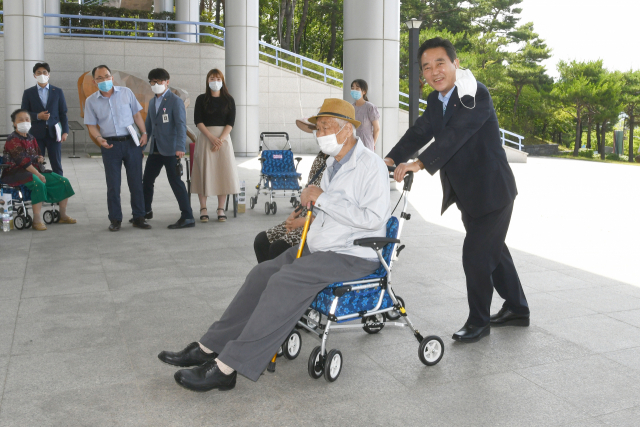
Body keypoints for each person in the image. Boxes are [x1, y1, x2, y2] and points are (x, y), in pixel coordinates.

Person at [158, 99, 390, 392]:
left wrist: (322, 199)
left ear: (347, 130)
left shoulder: (371, 165)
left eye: (325, 127)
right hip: (322, 245)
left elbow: (373, 218)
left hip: (353, 253)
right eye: (318, 128)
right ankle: (208, 347)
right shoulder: (333, 163)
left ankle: (227, 367)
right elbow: (333, 209)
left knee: (283, 282)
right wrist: (311, 210)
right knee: (261, 275)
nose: (320, 133)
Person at [384, 37, 529, 343]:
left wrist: (418, 164)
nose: (434, 71)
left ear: (455, 64)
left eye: (440, 63)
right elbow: (421, 130)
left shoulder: (473, 94)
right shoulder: (436, 100)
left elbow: (456, 135)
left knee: (476, 256)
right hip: (468, 194)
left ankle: (479, 321)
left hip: (492, 192)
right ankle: (517, 308)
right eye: (426, 66)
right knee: (495, 252)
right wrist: (393, 158)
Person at [84, 65, 151, 232]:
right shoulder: (91, 101)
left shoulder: (126, 93)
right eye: (100, 78)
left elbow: (137, 115)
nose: (104, 80)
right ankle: (115, 219)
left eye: (107, 76)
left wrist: (144, 132)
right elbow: (91, 125)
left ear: (112, 77)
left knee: (136, 181)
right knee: (113, 184)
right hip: (110, 145)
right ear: (94, 81)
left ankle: (139, 217)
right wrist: (99, 139)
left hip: (131, 143)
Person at [1, 109, 75, 231]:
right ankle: (36, 220)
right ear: (14, 123)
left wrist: (39, 158)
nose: (25, 122)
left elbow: (38, 154)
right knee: (38, 183)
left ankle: (63, 215)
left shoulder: (31, 138)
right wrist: (38, 174)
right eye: (21, 120)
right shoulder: (12, 139)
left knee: (63, 181)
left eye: (27, 119)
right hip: (16, 172)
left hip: (34, 170)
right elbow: (23, 162)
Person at [139, 68, 194, 229]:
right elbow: (149, 125)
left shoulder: (175, 101)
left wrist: (180, 147)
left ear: (167, 82)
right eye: (153, 82)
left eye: (159, 81)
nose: (156, 84)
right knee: (147, 180)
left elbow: (181, 126)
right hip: (155, 148)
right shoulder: (152, 102)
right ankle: (145, 210)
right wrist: (143, 144)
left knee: (176, 182)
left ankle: (188, 216)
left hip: (172, 150)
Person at [254, 150, 329, 263]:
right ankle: (266, 279)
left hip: (320, 224)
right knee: (262, 240)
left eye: (324, 130)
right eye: (318, 131)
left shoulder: (341, 164)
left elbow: (335, 213)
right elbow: (307, 194)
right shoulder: (320, 157)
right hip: (305, 215)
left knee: (278, 248)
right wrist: (292, 217)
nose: (319, 134)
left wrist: (303, 222)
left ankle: (279, 280)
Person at [191, 69, 240, 222]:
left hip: (224, 140)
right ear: (207, 80)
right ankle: (203, 208)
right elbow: (198, 121)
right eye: (212, 78)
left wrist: (220, 139)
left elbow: (230, 122)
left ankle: (220, 208)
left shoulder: (229, 99)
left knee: (223, 173)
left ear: (222, 81)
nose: (215, 81)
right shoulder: (201, 99)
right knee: (203, 172)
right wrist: (212, 138)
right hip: (206, 139)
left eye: (218, 78)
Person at [21, 62, 69, 176]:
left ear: (49, 75)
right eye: (39, 72)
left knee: (56, 164)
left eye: (44, 72)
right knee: (36, 164)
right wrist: (38, 116)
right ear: (34, 75)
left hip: (54, 134)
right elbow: (24, 113)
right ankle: (39, 190)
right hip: (36, 135)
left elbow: (63, 113)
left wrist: (65, 131)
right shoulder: (28, 93)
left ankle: (59, 191)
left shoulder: (57, 91)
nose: (42, 74)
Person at [350, 79, 380, 152]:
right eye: (352, 88)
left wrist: (373, 143)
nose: (354, 90)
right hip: (352, 144)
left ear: (364, 92)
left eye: (357, 88)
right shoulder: (350, 107)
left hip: (366, 144)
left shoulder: (370, 107)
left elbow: (377, 129)